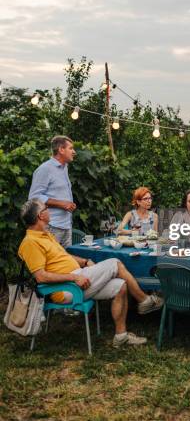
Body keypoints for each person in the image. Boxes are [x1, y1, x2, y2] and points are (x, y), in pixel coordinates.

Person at [18, 198, 163, 347]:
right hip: (65, 289)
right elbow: (41, 277)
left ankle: (121, 336)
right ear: (40, 216)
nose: (49, 210)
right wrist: (74, 277)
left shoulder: (46, 235)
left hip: (77, 276)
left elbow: (65, 257)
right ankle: (144, 300)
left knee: (121, 285)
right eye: (46, 209)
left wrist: (86, 261)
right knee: (115, 263)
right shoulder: (30, 242)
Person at [28, 135, 76, 248]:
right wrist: (61, 203)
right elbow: (34, 197)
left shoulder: (65, 168)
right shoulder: (45, 169)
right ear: (61, 149)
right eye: (71, 148)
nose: (74, 152)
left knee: (67, 262)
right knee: (51, 263)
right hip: (51, 226)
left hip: (66, 225)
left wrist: (68, 204)